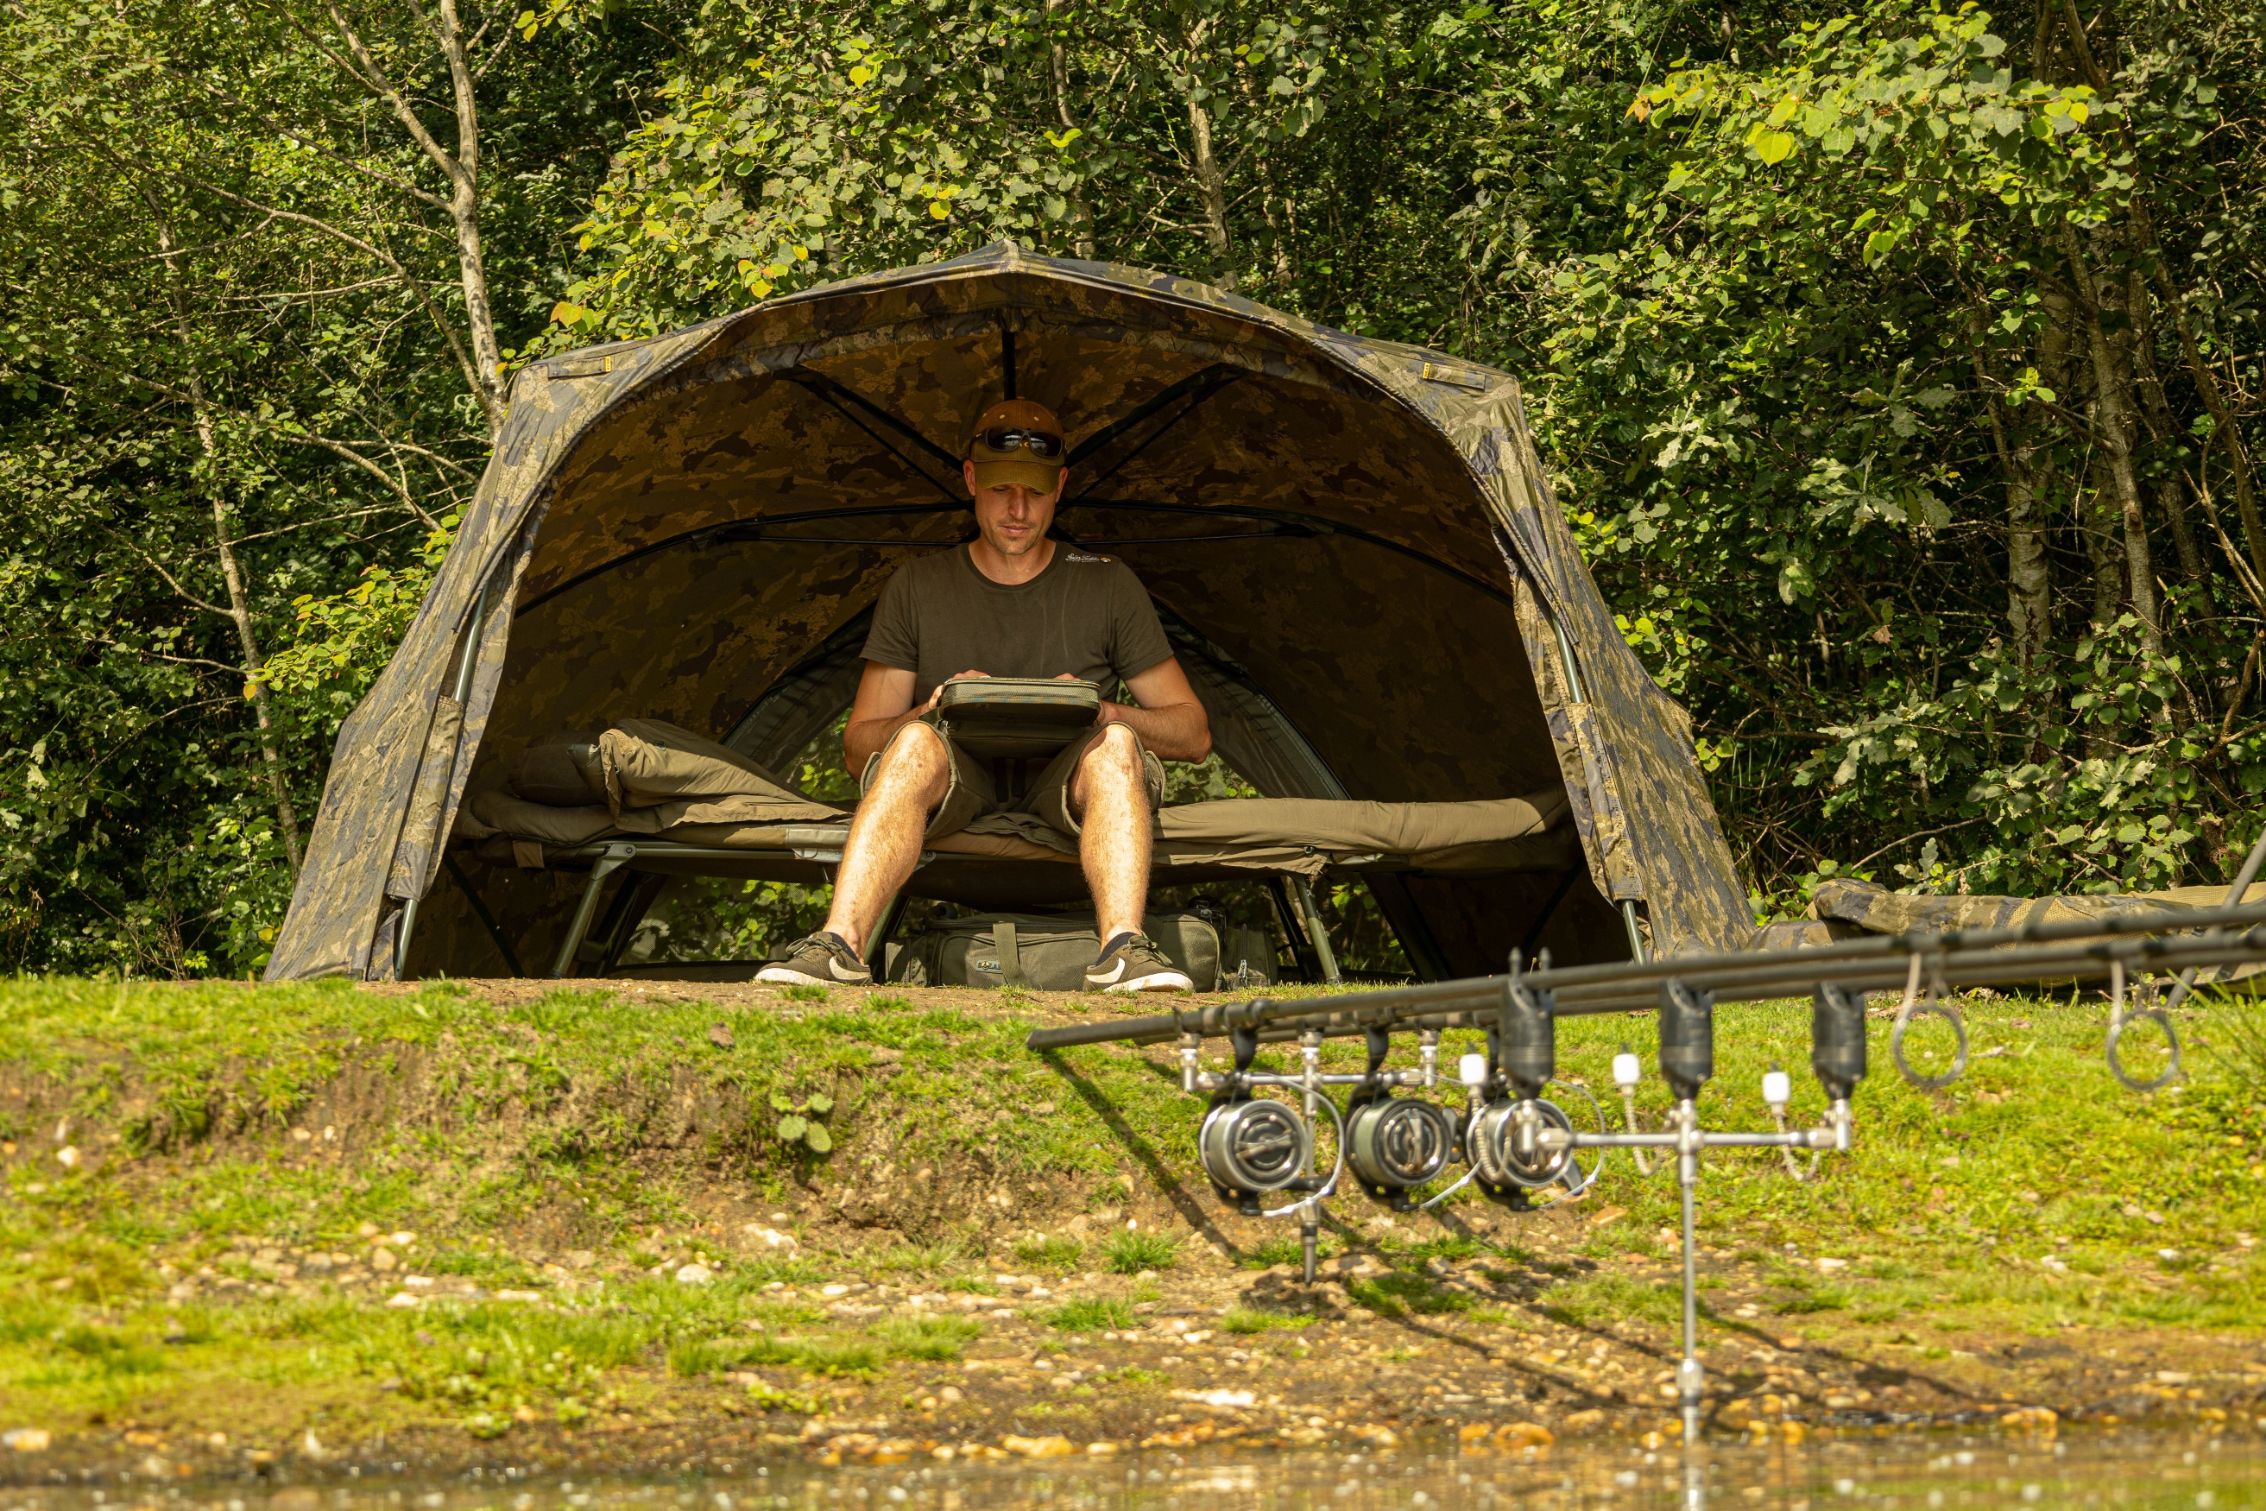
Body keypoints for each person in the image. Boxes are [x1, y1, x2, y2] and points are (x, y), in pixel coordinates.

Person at [757, 398, 1213, 993]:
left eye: (1036, 492)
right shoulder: (919, 585)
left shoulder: (1106, 582)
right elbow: (857, 746)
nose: (1018, 510)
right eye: (1001, 490)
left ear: (1062, 488)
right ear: (971, 479)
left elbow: (1194, 733)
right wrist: (934, 706)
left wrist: (1101, 708)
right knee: (914, 741)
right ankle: (839, 946)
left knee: (1118, 742)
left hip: (1069, 780)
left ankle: (1123, 950)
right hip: (955, 781)